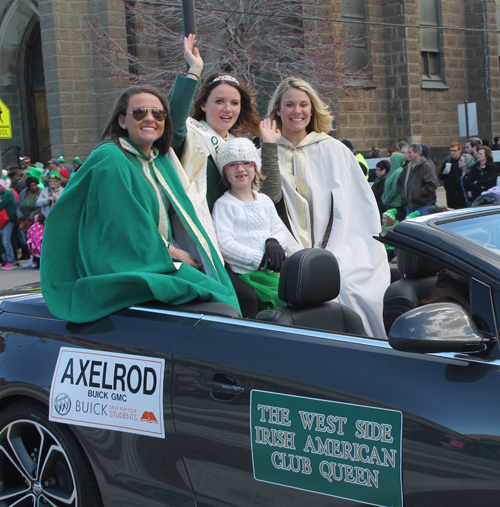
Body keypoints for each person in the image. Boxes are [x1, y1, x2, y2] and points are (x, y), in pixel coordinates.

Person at [41, 84, 239, 323]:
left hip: (151, 254)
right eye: (139, 113)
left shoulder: (159, 159)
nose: (149, 118)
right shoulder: (110, 158)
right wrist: (175, 254)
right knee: (217, 297)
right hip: (121, 260)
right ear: (123, 121)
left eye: (157, 114)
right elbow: (126, 227)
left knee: (224, 287)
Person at [260, 77, 390, 338]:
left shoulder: (334, 150)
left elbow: (359, 208)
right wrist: (268, 146)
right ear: (278, 109)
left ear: (312, 108)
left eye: (303, 104)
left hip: (341, 245)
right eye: (289, 105)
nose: (297, 111)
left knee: (352, 286)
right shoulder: (265, 150)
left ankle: (369, 350)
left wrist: (337, 250)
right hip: (288, 246)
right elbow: (265, 200)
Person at [169, 34, 260, 216]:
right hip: (201, 232)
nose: (228, 109)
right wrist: (194, 70)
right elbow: (173, 123)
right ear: (203, 104)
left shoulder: (242, 146)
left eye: (234, 103)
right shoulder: (189, 135)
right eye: (219, 101)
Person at [212, 138, 287, 318]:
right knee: (268, 300)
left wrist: (274, 243)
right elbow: (225, 244)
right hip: (245, 273)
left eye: (247, 163)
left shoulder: (264, 201)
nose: (240, 169)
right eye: (232, 165)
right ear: (224, 171)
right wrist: (259, 259)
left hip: (270, 271)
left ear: (255, 168)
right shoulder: (224, 205)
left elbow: (279, 229)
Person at [397, 143, 438, 216]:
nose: (408, 154)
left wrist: (419, 194)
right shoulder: (408, 167)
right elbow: (399, 181)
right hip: (409, 205)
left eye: (410, 152)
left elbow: (432, 184)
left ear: (417, 153)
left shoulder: (426, 166)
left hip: (422, 206)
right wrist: (402, 193)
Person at [381, 152, 405, 222]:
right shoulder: (392, 171)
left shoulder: (398, 172)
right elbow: (386, 187)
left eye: (391, 159)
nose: (390, 161)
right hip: (389, 204)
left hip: (395, 206)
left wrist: (387, 199)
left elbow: (394, 189)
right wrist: (383, 197)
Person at [0, 178, 18, 270]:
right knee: (7, 241)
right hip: (6, 220)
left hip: (8, 219)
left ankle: (11, 262)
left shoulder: (7, 193)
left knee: (6, 241)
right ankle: (11, 261)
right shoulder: (5, 193)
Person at [438, 142, 462, 209]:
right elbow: (440, 177)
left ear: (459, 150)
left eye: (455, 151)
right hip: (449, 192)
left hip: (459, 192)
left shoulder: (462, 161)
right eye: (451, 151)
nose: (453, 153)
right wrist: (444, 173)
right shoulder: (447, 162)